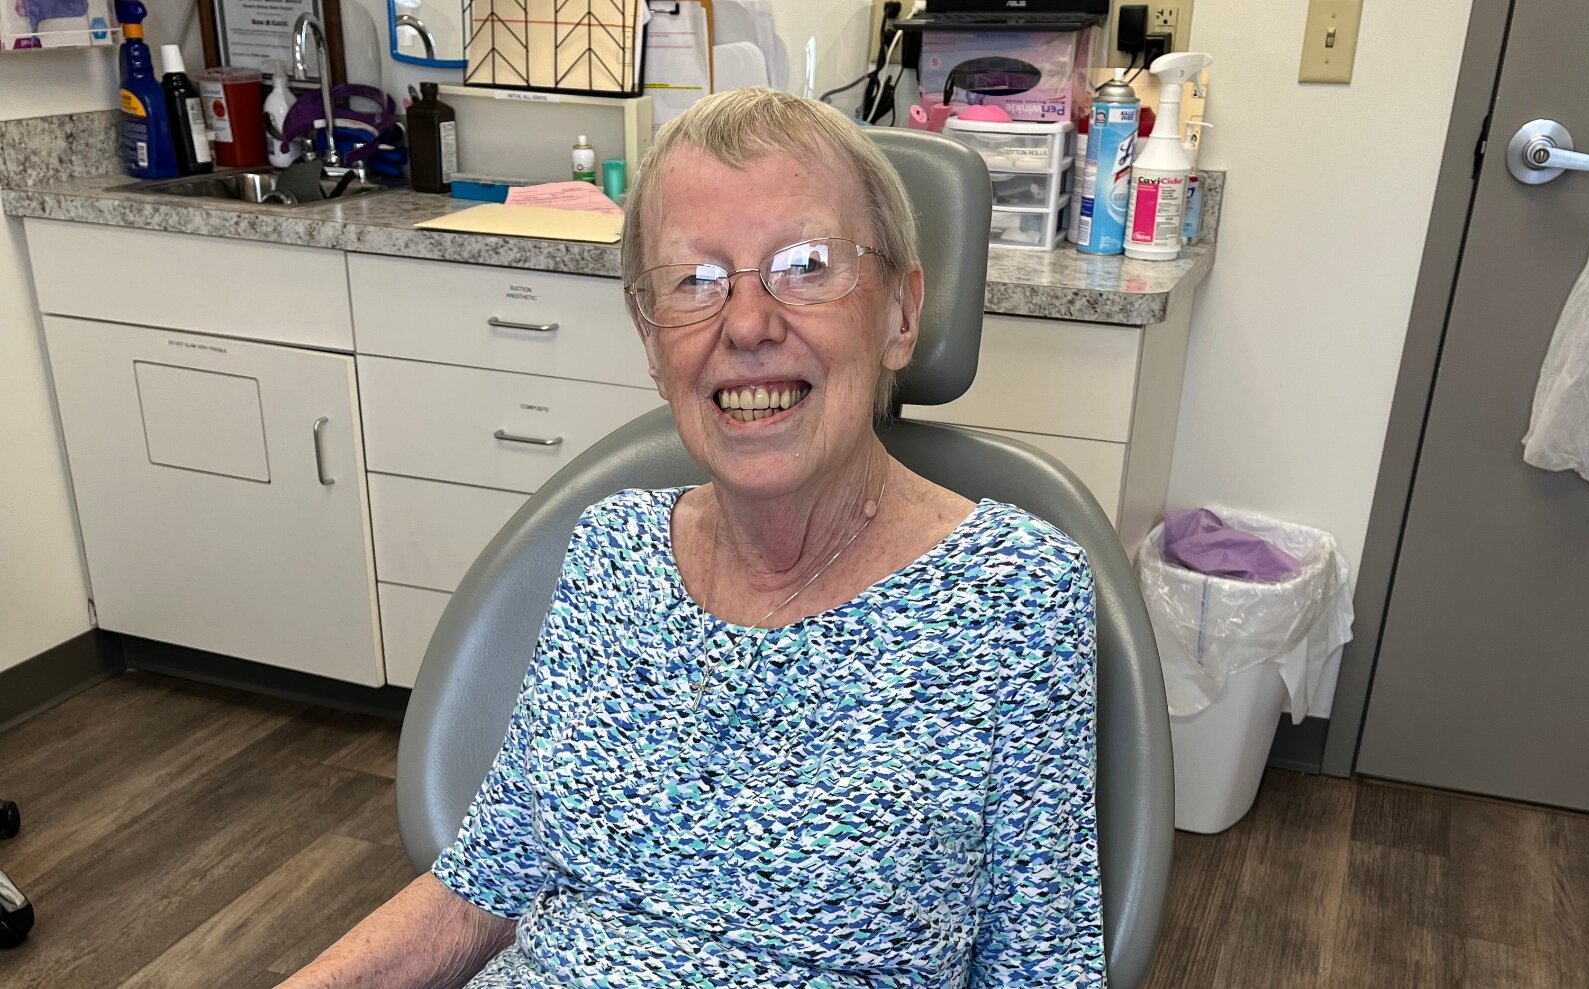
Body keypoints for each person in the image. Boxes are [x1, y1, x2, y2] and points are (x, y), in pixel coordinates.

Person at [282, 87, 1102, 988]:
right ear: (650, 336)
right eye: (694, 281)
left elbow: (1043, 970)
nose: (745, 325)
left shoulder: (1015, 596)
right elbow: (484, 881)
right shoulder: (612, 552)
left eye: (806, 263)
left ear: (900, 314)